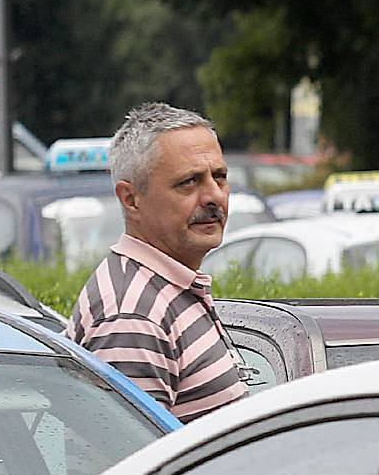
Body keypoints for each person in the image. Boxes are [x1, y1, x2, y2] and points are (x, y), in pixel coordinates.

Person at [68, 102, 248, 419]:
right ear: (131, 199)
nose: (214, 196)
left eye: (218, 177)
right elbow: (131, 460)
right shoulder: (133, 315)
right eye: (189, 182)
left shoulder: (166, 288)